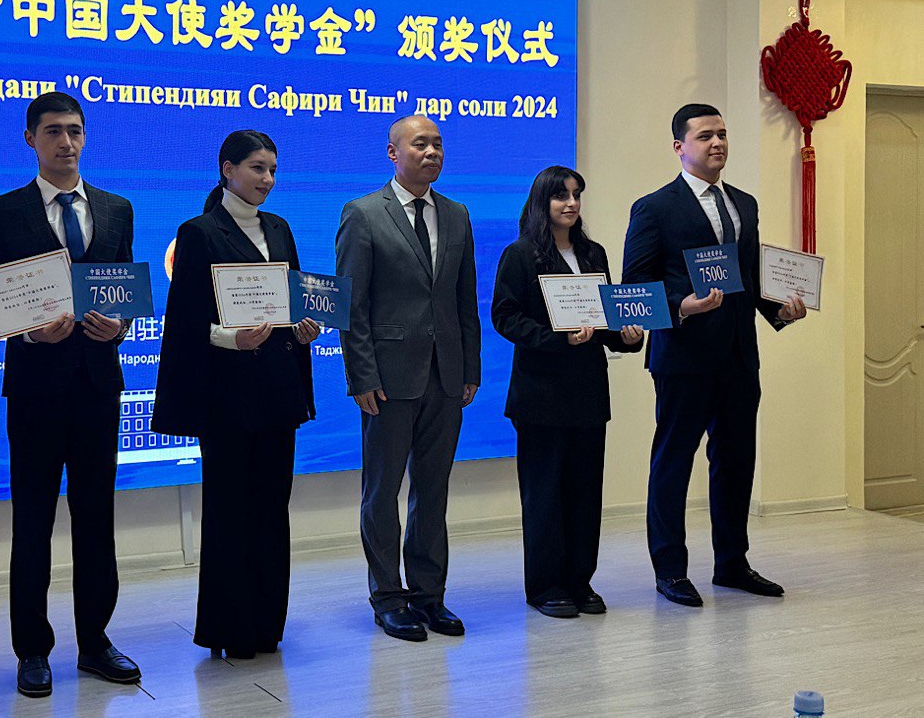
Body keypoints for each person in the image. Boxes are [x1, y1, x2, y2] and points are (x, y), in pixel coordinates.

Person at [0, 92, 139, 694]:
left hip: (97, 385)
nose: (66, 142)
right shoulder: (2, 211)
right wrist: (28, 329)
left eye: (74, 130)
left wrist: (120, 326)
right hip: (35, 387)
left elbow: (124, 288)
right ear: (30, 140)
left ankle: (95, 641)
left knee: (97, 518)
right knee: (33, 520)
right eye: (53, 131)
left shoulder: (116, 208)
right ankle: (32, 650)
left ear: (85, 136)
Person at [621, 103, 807, 608]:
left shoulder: (744, 204)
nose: (717, 143)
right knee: (673, 461)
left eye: (722, 134)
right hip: (684, 355)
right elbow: (635, 284)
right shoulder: (655, 207)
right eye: (705, 136)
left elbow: (749, 277)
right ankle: (670, 570)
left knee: (736, 461)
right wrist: (682, 305)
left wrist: (782, 310)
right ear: (679, 147)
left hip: (739, 355)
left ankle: (732, 563)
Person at [152, 130, 320, 659]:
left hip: (278, 391)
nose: (267, 179)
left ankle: (267, 625)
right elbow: (185, 323)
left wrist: (304, 328)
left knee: (272, 509)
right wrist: (232, 338)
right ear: (228, 169)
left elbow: (291, 302)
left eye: (273, 169)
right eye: (257, 168)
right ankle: (229, 629)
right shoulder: (199, 232)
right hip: (227, 397)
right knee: (229, 510)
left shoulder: (281, 228)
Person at [335, 114, 481, 642]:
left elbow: (464, 298)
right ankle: (388, 597)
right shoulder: (363, 213)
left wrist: (469, 368)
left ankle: (428, 595)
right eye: (421, 144)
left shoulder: (457, 214)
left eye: (438, 143)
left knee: (433, 489)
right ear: (393, 153)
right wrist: (361, 375)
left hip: (446, 375)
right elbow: (352, 304)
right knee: (382, 493)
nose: (433, 152)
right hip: (388, 377)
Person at [491, 165, 644, 619]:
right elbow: (505, 317)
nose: (572, 203)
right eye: (562, 195)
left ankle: (580, 581)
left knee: (584, 494)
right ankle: (546, 586)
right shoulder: (521, 254)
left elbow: (605, 320)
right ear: (543, 201)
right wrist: (558, 339)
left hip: (588, 393)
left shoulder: (593, 253)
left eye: (577, 194)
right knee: (544, 495)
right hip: (540, 395)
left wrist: (627, 336)